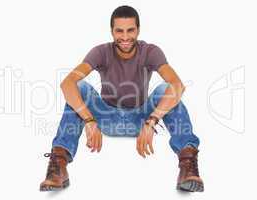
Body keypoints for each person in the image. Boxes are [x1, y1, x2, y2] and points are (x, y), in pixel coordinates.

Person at [39, 5, 204, 192]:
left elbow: (177, 84)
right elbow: (67, 83)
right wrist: (89, 120)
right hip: (105, 117)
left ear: (138, 30)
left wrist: (151, 121)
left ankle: (187, 165)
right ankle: (58, 165)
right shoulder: (100, 52)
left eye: (130, 30)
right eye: (119, 31)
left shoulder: (151, 51)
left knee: (167, 89)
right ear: (112, 32)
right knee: (78, 87)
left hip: (141, 118)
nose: (125, 37)